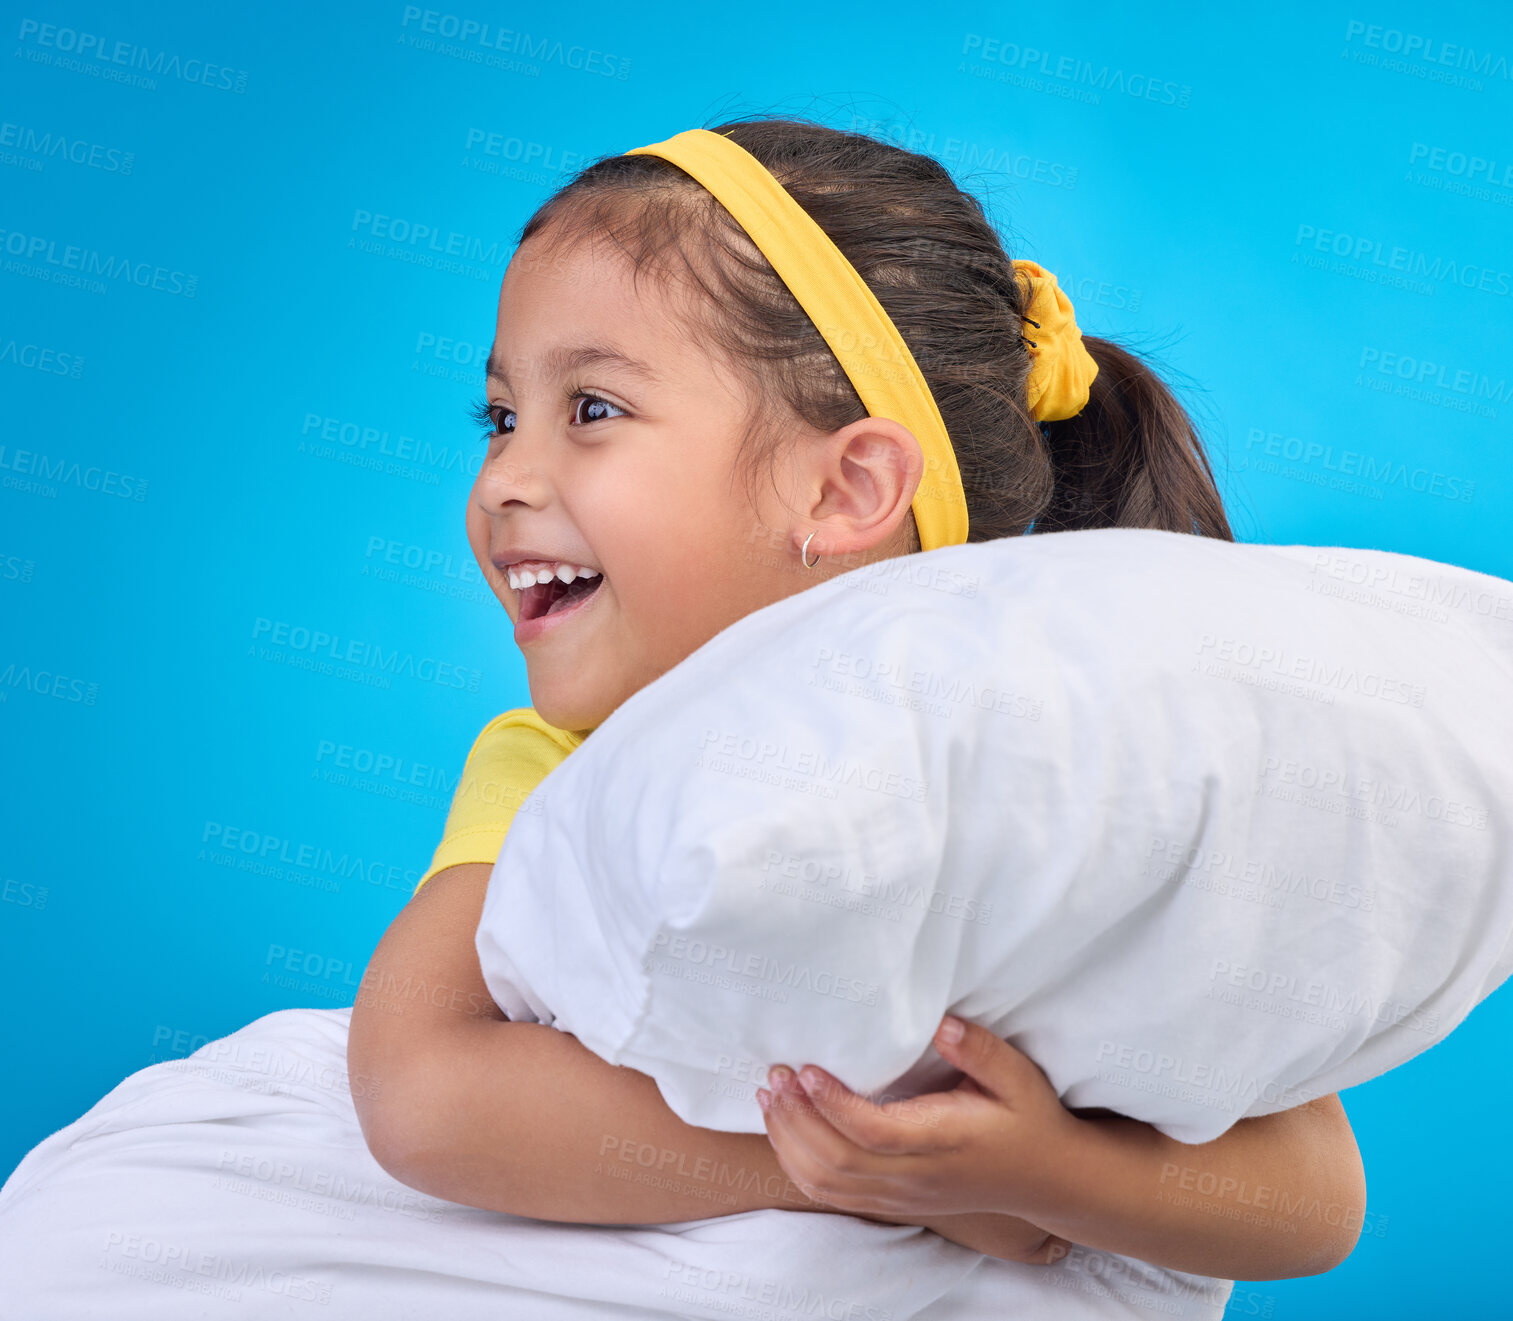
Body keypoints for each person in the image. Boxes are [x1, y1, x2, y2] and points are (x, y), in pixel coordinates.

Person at [0, 116, 1365, 1318]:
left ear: (844, 491)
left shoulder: (1056, 784)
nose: (504, 482)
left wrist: (1044, 1170)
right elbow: (421, 1092)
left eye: (589, 408)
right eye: (496, 414)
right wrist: (875, 1176)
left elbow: (1310, 1197)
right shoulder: (564, 769)